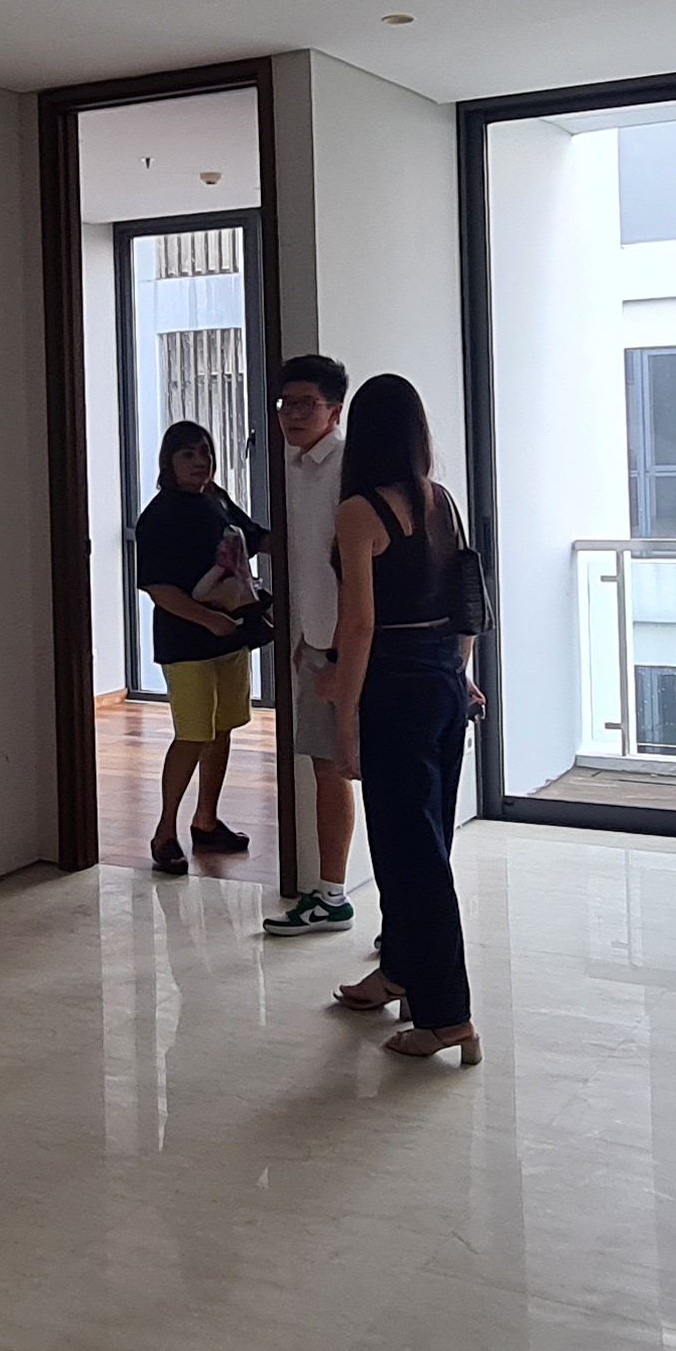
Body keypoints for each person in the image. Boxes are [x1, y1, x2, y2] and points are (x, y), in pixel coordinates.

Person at [318, 372, 492, 1065]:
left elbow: (358, 625)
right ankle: (401, 974)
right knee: (419, 847)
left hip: (394, 691)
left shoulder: (358, 512)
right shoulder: (440, 501)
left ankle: (448, 1017)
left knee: (412, 857)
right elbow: (466, 597)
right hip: (444, 685)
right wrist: (461, 671)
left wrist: (345, 721)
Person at [128, 421, 268, 877]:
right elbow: (158, 588)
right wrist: (208, 620)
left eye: (205, 452)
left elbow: (256, 537)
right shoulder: (158, 517)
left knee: (222, 728)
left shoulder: (216, 499)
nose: (199, 462)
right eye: (188, 454)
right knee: (193, 734)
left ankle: (206, 821)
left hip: (230, 636)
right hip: (186, 642)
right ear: (168, 461)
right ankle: (164, 832)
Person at [259, 354, 361, 934]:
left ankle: (392, 912)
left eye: (307, 404)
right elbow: (306, 565)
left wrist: (342, 655)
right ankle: (331, 894)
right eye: (286, 404)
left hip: (351, 651)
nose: (293, 415)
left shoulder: (347, 468)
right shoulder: (294, 467)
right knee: (327, 769)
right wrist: (304, 634)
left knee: (363, 771)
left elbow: (353, 572)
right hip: (317, 644)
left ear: (334, 411)